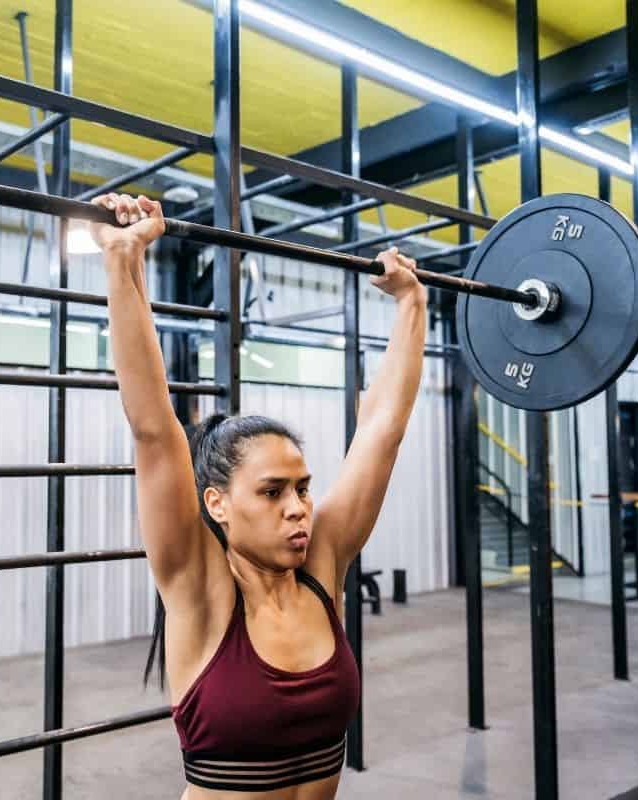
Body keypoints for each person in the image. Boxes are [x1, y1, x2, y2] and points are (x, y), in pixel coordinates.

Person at [90, 193, 427, 799]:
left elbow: (384, 430)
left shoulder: (322, 564)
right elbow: (153, 429)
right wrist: (123, 261)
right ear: (216, 502)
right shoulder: (199, 588)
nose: (298, 507)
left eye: (302, 488)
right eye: (272, 492)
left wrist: (412, 302)